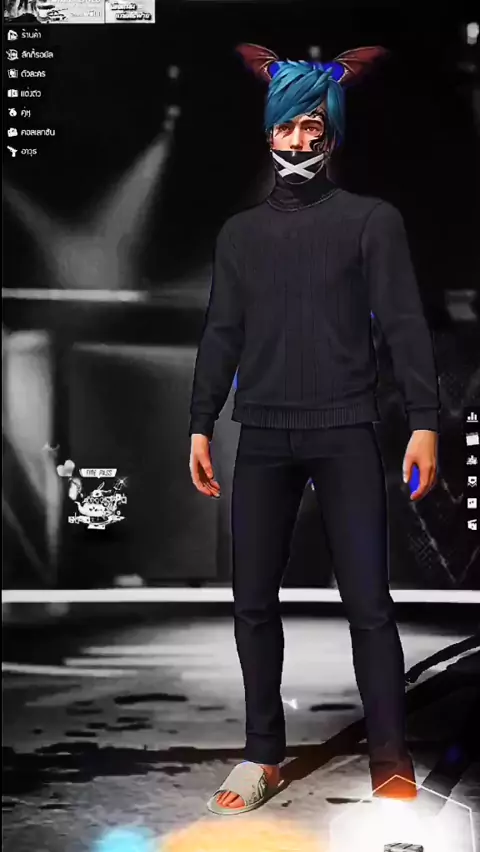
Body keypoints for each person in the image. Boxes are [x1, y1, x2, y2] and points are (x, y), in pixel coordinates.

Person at [188, 42, 439, 815]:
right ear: (267, 131)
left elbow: (405, 324)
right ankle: (261, 754)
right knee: (252, 604)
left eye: (311, 127)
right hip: (262, 435)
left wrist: (424, 422)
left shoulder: (371, 221)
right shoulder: (239, 235)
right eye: (285, 126)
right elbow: (221, 332)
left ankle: (390, 755)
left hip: (346, 431)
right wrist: (199, 422)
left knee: (369, 603)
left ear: (331, 132)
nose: (298, 141)